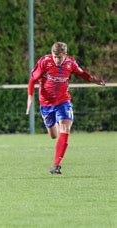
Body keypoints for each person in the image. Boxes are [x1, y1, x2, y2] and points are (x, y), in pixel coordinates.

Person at [26, 42, 105, 174]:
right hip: (46, 103)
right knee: (53, 135)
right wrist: (30, 97)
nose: (57, 60)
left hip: (63, 101)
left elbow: (82, 73)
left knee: (65, 128)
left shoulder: (70, 63)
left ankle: (56, 165)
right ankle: (56, 130)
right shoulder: (44, 62)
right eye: (55, 56)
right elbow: (32, 80)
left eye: (60, 57)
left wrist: (92, 79)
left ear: (65, 55)